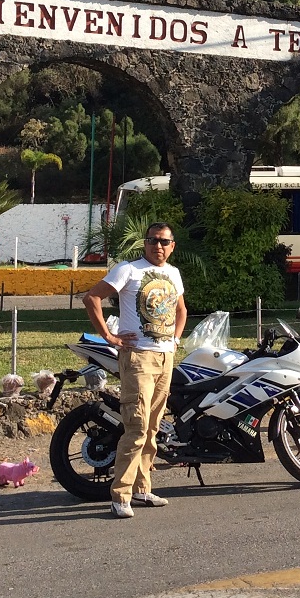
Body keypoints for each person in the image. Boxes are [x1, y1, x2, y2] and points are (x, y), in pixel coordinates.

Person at [82, 222, 186, 519]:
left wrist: (175, 340)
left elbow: (181, 310)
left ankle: (142, 488)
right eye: (153, 240)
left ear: (172, 245)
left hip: (165, 358)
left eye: (165, 241)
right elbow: (92, 298)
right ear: (145, 243)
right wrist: (110, 337)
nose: (159, 246)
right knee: (137, 426)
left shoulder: (173, 274)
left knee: (153, 428)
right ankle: (120, 495)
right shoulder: (128, 269)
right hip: (138, 357)